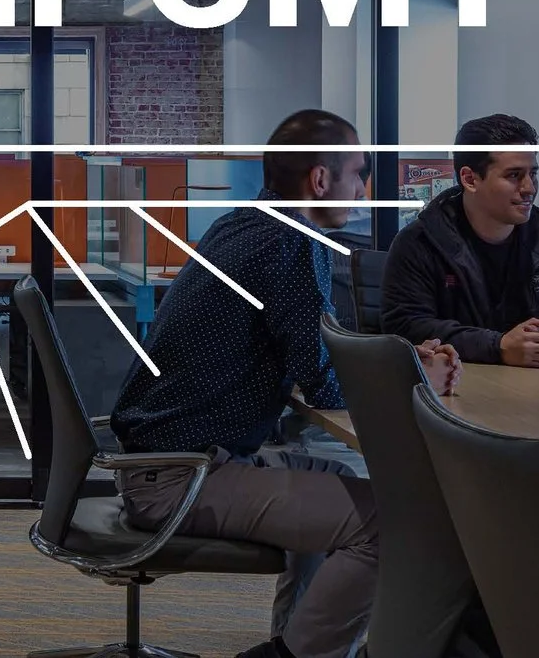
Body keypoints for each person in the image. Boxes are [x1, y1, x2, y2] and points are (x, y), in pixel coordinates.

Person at [109, 109, 461, 658]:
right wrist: (418, 376)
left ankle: (295, 637)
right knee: (391, 525)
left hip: (168, 461)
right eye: (358, 174)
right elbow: (325, 383)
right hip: (186, 474)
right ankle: (295, 655)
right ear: (320, 180)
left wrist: (395, 356)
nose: (364, 188)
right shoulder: (293, 243)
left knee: (336, 476)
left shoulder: (243, 224)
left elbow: (313, 349)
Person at [381, 113, 539, 366]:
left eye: (533, 174)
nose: (530, 188)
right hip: (457, 392)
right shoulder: (420, 242)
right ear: (470, 179)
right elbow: (404, 327)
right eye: (514, 175)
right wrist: (498, 347)